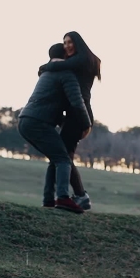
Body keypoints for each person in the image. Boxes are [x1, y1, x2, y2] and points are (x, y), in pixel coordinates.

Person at [19, 43, 92, 213]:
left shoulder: (46, 73)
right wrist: (86, 123)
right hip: (38, 122)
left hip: (25, 120)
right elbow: (77, 102)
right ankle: (63, 198)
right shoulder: (66, 74)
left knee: (56, 158)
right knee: (63, 159)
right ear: (66, 58)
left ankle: (48, 200)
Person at [39, 31, 101, 210]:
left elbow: (59, 67)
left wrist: (45, 67)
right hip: (74, 114)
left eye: (69, 42)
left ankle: (80, 196)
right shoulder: (81, 61)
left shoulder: (83, 60)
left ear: (78, 42)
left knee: (63, 156)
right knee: (62, 156)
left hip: (79, 114)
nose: (66, 46)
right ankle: (54, 198)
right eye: (64, 43)